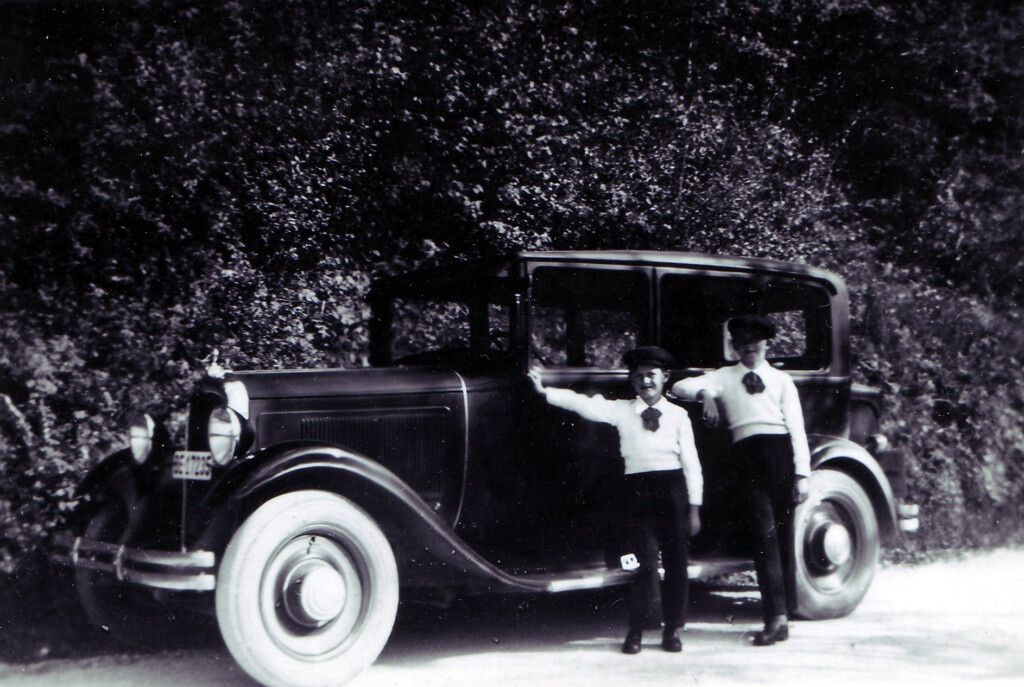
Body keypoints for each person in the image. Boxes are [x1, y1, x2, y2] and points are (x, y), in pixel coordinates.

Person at [528, 346, 702, 655]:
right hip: (638, 490)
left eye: (651, 375)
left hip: (672, 489)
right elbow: (585, 404)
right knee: (641, 562)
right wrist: (545, 392)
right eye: (638, 376)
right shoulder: (622, 410)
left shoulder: (679, 416)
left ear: (665, 377)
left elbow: (692, 464)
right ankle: (637, 628)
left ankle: (673, 629)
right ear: (632, 380)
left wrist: (694, 508)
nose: (645, 381)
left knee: (676, 561)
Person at [670, 314, 810, 646]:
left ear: (766, 344)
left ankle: (785, 613)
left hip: (780, 455)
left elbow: (797, 428)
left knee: (784, 537)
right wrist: (706, 393)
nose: (749, 347)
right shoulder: (724, 376)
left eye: (755, 341)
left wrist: (802, 474)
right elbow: (677, 386)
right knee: (763, 537)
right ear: (734, 346)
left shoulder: (781, 381)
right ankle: (775, 619)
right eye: (742, 342)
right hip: (747, 459)